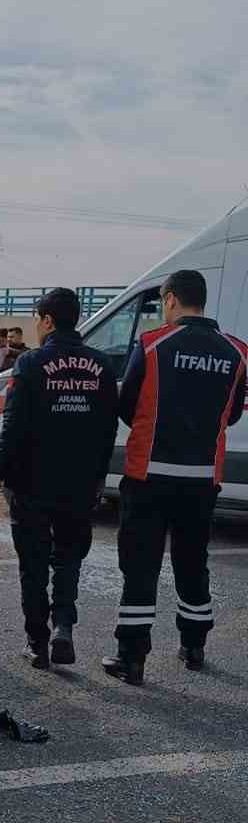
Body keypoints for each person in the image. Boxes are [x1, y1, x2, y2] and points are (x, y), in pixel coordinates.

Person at [102, 268, 247, 684]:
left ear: (169, 300)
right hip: (202, 478)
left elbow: (126, 403)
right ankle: (194, 645)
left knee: (140, 564)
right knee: (192, 561)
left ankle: (131, 656)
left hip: (148, 474)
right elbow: (233, 412)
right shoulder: (237, 352)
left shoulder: (151, 344)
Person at [0, 288, 118, 667]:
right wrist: (97, 478)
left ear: (46, 320)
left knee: (33, 563)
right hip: (78, 482)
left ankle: (37, 642)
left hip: (31, 482)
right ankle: (63, 625)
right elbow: (108, 428)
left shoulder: (30, 363)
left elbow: (13, 425)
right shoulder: (102, 364)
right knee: (68, 558)